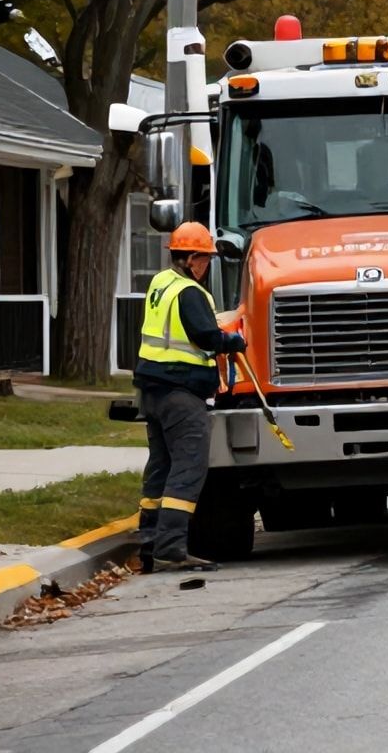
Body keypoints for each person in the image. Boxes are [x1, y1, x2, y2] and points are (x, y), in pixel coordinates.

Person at [135, 222, 248, 571]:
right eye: (205, 259)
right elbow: (207, 337)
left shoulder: (160, 283)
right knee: (188, 468)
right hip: (181, 393)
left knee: (160, 467)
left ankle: (149, 545)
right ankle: (171, 548)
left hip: (151, 390)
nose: (207, 266)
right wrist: (233, 342)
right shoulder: (190, 292)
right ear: (191, 259)